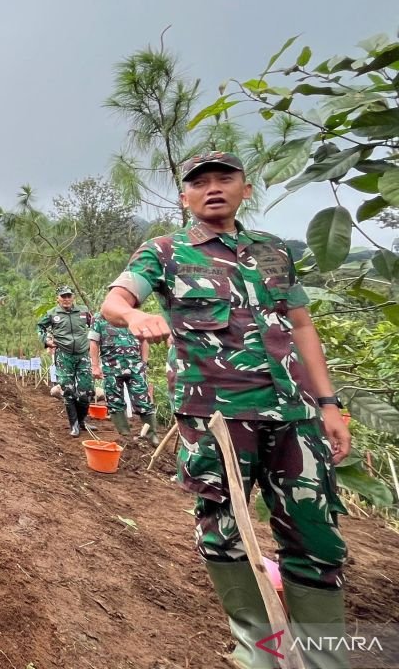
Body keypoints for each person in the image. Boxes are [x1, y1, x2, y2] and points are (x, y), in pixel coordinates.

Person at [101, 151, 351, 669]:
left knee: (315, 532)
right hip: (216, 417)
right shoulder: (166, 252)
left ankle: (325, 657)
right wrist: (134, 316)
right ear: (185, 197)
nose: (213, 188)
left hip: (294, 414)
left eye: (225, 178)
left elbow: (302, 326)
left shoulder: (275, 253)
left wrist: (327, 403)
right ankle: (258, 647)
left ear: (245, 188)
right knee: (224, 528)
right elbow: (116, 301)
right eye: (200, 182)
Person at [88, 314, 157, 444]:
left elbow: (144, 340)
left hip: (135, 367)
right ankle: (126, 437)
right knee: (114, 402)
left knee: (143, 401)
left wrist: (144, 362)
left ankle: (152, 437)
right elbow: (93, 342)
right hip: (111, 367)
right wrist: (95, 366)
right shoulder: (99, 318)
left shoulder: (136, 316)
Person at [37, 286, 95, 436]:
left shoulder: (83, 312)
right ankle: (74, 424)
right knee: (68, 390)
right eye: (63, 296)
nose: (66, 299)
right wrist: (47, 340)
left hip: (83, 354)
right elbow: (40, 327)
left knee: (86, 391)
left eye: (69, 296)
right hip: (64, 355)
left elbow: (95, 326)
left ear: (73, 297)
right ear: (58, 298)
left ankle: (81, 420)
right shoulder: (52, 314)